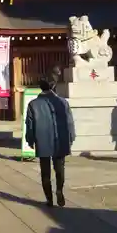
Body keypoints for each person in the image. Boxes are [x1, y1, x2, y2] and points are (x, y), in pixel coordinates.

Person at [25, 78, 76, 207]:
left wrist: (30, 139)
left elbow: (30, 125)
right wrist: (71, 136)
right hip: (60, 139)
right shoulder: (63, 102)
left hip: (42, 139)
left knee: (45, 171)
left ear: (40, 88)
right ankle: (59, 191)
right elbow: (70, 121)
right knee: (60, 168)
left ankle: (49, 198)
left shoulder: (33, 104)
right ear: (53, 87)